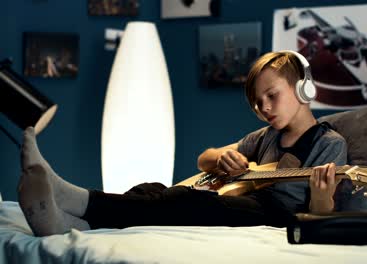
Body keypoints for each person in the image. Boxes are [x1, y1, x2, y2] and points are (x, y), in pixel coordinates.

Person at [17, 51, 347, 237]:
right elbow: (204, 159)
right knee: (151, 188)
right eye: (258, 102)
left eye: (271, 96)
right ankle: (69, 224)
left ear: (304, 89)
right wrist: (224, 159)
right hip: (242, 199)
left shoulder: (328, 143)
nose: (264, 108)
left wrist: (320, 197)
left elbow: (321, 216)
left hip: (275, 215)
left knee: (189, 201)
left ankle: (72, 198)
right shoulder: (266, 137)